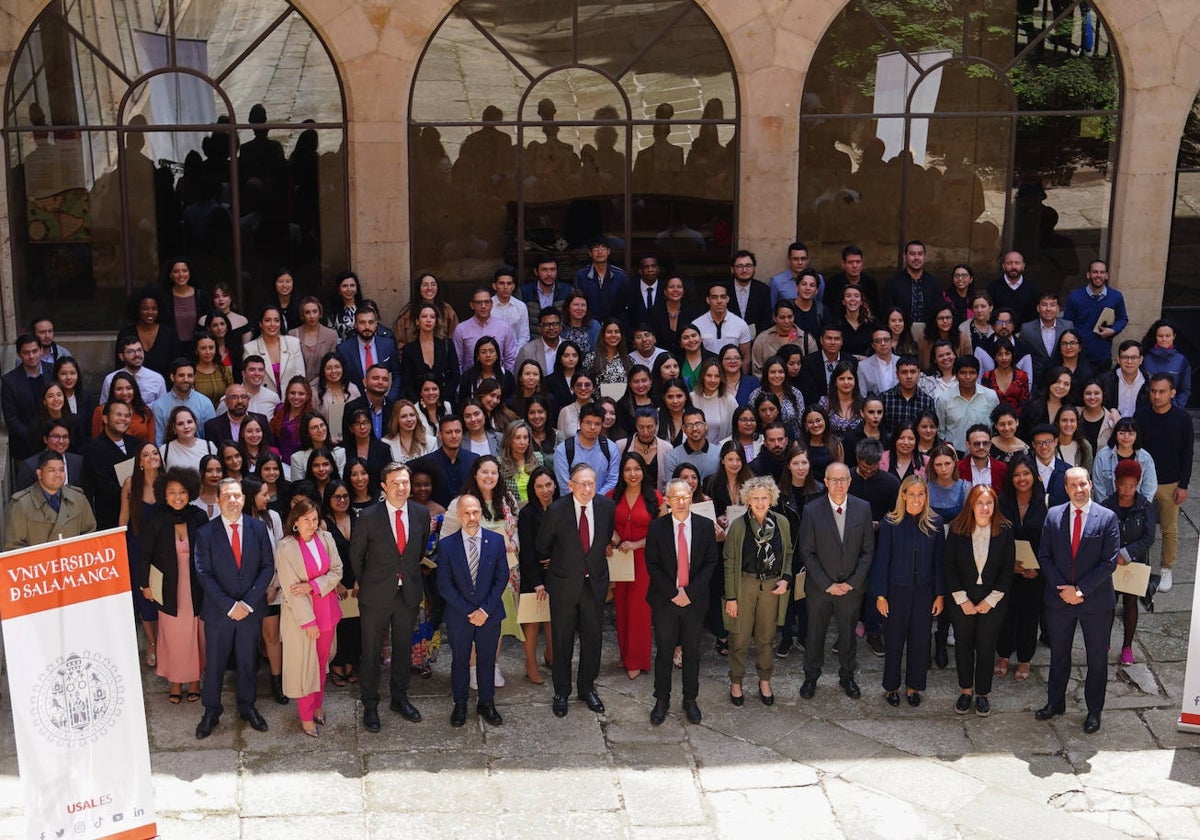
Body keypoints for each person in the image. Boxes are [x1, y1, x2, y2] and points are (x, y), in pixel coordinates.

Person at [1035, 468, 1121, 734]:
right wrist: (1064, 590)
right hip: (1060, 600)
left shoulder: (1107, 518)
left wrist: (1080, 590)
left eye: (1082, 484)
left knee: (1097, 659)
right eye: (1073, 486)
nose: (1079, 489)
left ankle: (1094, 711)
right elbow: (1045, 557)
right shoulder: (1053, 516)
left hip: (1095, 602)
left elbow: (1109, 563)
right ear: (1066, 489)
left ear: (1090, 484)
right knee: (1059, 655)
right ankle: (1055, 702)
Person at [348, 463, 432, 733]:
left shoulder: (420, 513)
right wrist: (371, 582)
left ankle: (400, 697)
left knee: (403, 647)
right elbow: (356, 557)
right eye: (395, 482)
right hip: (375, 594)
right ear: (383, 486)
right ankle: (370, 704)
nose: (401, 487)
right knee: (371, 652)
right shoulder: (369, 516)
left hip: (407, 592)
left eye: (405, 482)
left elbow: (417, 552)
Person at [193, 479, 275, 738]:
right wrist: (230, 605)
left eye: (236, 496)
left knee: (247, 660)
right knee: (215, 662)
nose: (232, 500)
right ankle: (211, 711)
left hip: (250, 610)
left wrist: (248, 602)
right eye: (226, 496)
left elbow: (267, 566)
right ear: (217, 500)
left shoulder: (258, 528)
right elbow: (203, 573)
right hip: (220, 612)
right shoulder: (205, 532)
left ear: (243, 499)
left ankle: (247, 706)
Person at [534, 464, 615, 717]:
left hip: (594, 584)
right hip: (564, 586)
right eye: (582, 484)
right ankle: (561, 692)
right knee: (562, 640)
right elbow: (542, 544)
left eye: (591, 483)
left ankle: (587, 688)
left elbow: (604, 538)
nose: (587, 489)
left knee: (593, 640)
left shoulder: (605, 506)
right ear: (570, 485)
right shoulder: (557, 510)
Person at [644, 477, 719, 725]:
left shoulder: (705, 526)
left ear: (692, 498)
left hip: (694, 600)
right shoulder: (657, 528)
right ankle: (661, 700)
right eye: (675, 497)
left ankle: (690, 699)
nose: (681, 502)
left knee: (692, 651)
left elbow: (710, 562)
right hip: (666, 600)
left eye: (685, 497)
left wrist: (690, 592)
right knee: (665, 652)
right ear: (667, 500)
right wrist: (673, 593)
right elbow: (652, 565)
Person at [798, 462, 875, 701]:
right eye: (834, 480)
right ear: (827, 482)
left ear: (849, 482)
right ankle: (811, 676)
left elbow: (867, 551)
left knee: (848, 636)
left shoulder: (863, 509)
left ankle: (847, 676)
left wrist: (852, 583)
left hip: (851, 589)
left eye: (843, 479)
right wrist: (827, 583)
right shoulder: (812, 510)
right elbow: (806, 551)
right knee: (815, 634)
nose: (839, 484)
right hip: (820, 589)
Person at [436, 494, 510, 728]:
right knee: (459, 660)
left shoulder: (495, 541)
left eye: (475, 512)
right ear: (459, 515)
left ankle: (487, 703)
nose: (471, 517)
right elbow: (444, 584)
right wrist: (471, 611)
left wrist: (484, 610)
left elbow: (502, 577)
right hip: (461, 616)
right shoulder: (447, 545)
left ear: (481, 512)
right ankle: (460, 704)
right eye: (466, 513)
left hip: (489, 614)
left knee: (487, 660)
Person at [873, 477, 944, 707]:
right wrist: (881, 595)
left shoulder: (935, 523)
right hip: (896, 591)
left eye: (920, 494)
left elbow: (939, 563)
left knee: (920, 641)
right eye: (911, 494)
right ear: (903, 495)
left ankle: (914, 686)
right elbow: (882, 560)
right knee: (893, 640)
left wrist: (940, 595)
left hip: (924, 592)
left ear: (926, 496)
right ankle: (891, 686)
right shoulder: (890, 522)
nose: (916, 499)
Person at [944, 484, 1014, 717]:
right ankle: (966, 691)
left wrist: (991, 600)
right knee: (963, 645)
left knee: (986, 646)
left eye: (989, 503)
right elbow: (949, 568)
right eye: (980, 503)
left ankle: (982, 693)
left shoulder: (1004, 530)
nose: (985, 508)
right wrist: (962, 599)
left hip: (992, 601)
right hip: (961, 600)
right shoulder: (956, 530)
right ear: (971, 506)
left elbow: (1006, 570)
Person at [276, 497, 343, 738]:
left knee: (321, 664)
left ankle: (317, 706)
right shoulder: (286, 547)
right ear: (295, 521)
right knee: (305, 667)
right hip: (302, 618)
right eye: (306, 520)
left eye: (315, 519)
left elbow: (337, 571)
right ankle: (305, 717)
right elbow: (291, 589)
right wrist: (309, 622)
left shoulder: (326, 538)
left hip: (327, 610)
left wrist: (313, 585)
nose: (312, 524)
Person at [723, 476, 792, 708]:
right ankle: (736, 681)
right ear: (747, 500)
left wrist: (785, 580)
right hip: (745, 584)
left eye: (764, 498)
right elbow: (729, 563)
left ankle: (764, 680)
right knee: (739, 637)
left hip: (771, 586)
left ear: (771, 499)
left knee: (766, 637)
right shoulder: (738, 526)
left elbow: (789, 554)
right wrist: (731, 598)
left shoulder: (782, 522)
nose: (760, 503)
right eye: (755, 498)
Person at [1134, 373, 1192, 592]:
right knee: (1139, 527)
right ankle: (1139, 568)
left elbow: (1188, 453)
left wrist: (1183, 484)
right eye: (1153, 391)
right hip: (1143, 480)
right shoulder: (1141, 416)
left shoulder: (1183, 418)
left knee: (1169, 528)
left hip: (1170, 482)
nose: (1157, 396)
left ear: (1172, 393)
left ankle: (1167, 569)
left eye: (1162, 392)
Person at [607, 453, 661, 681]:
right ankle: (625, 654)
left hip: (643, 560)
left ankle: (637, 660)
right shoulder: (612, 496)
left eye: (636, 469)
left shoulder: (655, 498)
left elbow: (662, 534)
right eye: (627, 469)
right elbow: (602, 524)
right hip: (619, 559)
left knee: (639, 609)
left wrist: (638, 543)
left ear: (643, 471)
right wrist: (612, 541)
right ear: (621, 473)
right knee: (621, 607)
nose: (632, 474)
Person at [1102, 460, 1158, 666]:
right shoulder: (1107, 505)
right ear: (1116, 483)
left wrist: (1127, 553)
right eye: (1123, 485)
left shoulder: (1145, 506)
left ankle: (1127, 646)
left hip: (1135, 564)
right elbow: (1101, 534)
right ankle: (1104, 643)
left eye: (1132, 486)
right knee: (1108, 604)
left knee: (1131, 603)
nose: (1127, 490)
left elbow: (1148, 537)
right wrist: (1114, 554)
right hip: (1111, 564)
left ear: (1137, 484)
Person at [4, 449, 96, 549]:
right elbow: (13, 546)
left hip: (72, 561)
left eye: (61, 470)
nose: (58, 474)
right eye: (52, 470)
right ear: (39, 474)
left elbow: (90, 534)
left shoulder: (78, 498)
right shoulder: (21, 504)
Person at [517, 467, 558, 684]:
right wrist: (535, 582)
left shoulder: (562, 507)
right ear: (533, 488)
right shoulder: (527, 513)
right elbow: (527, 551)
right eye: (540, 486)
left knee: (554, 617)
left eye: (549, 485)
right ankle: (530, 663)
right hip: (533, 572)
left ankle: (551, 654)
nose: (545, 490)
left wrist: (557, 559)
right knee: (532, 620)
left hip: (558, 572)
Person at [1064, 259, 1127, 374]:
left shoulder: (1116, 296)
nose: (1098, 275)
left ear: (1106, 275)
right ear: (1088, 275)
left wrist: (1113, 330)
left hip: (1103, 355)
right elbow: (1067, 324)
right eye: (1095, 272)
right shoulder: (1074, 297)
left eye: (1102, 272)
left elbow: (1123, 318)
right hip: (1079, 356)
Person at [2, 332, 53, 461]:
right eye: (26, 352)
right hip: (26, 448)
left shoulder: (53, 371)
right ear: (19, 354)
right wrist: (34, 437)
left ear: (41, 350)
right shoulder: (9, 381)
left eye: (35, 351)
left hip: (55, 442)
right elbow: (12, 419)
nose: (31, 356)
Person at [336, 306, 401, 401]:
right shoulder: (344, 349)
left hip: (385, 401)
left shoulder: (388, 345)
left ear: (376, 324)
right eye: (362, 322)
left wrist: (390, 398)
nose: (367, 327)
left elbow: (397, 374)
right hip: (355, 403)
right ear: (355, 325)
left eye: (371, 322)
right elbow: (341, 380)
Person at [398, 301, 459, 401]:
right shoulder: (409, 349)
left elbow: (455, 375)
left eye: (432, 317)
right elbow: (407, 381)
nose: (428, 320)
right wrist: (418, 403)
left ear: (436, 322)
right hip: (418, 404)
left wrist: (442, 399)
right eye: (424, 316)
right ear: (417, 321)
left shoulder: (447, 344)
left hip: (445, 402)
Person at [1091, 416, 1157, 503]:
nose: (1126, 437)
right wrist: (1107, 511)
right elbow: (1098, 486)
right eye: (1121, 433)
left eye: (1131, 433)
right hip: (1108, 509)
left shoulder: (1145, 458)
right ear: (1115, 435)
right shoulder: (1102, 456)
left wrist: (1140, 509)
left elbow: (1149, 489)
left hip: (1137, 510)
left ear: (1136, 435)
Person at [243, 305, 305, 396]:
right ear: (260, 323)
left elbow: (300, 376)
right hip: (263, 400)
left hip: (291, 400)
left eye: (276, 320)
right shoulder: (250, 348)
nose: (273, 324)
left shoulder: (293, 343)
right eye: (268, 320)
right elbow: (248, 380)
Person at [453, 287, 518, 373]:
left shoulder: (504, 327)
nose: (483, 306)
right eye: (479, 303)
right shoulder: (461, 329)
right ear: (472, 305)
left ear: (492, 304)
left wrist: (506, 380)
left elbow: (510, 359)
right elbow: (458, 361)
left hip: (498, 380)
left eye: (487, 302)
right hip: (470, 380)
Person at [883, 240, 941, 329]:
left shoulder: (934, 283)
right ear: (905, 257)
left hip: (929, 334)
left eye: (920, 254)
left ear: (925, 257)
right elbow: (887, 312)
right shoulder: (893, 283)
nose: (916, 258)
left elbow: (939, 310)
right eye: (912, 254)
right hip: (901, 333)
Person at [1020, 290, 1074, 387]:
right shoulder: (1026, 329)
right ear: (1038, 308)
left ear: (1058, 309)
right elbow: (1021, 356)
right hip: (1035, 380)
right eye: (1044, 305)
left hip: (1061, 379)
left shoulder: (1068, 326)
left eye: (1052, 305)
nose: (1048, 309)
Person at [1140, 318, 1192, 408]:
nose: (1164, 339)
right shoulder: (1145, 358)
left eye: (1168, 336)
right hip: (1148, 409)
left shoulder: (1181, 361)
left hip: (1172, 411)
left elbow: (1185, 390)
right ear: (1155, 336)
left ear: (1174, 336)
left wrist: (1178, 406)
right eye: (1160, 336)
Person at [986, 251, 1040, 326]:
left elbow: (1034, 316)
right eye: (1009, 263)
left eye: (1017, 263)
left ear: (1023, 266)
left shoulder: (1032, 289)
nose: (1013, 267)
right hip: (999, 331)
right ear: (1003, 266)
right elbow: (990, 314)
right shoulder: (993, 288)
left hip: (1025, 334)